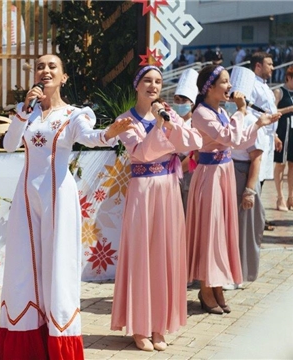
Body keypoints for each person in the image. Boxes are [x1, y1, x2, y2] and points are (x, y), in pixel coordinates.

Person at [0, 54, 134, 359]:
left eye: (52, 66)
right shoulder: (26, 113)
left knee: (58, 267)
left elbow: (90, 137)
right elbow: (7, 145)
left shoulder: (74, 114)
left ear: (64, 77)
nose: (45, 71)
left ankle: (59, 346)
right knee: (23, 266)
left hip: (58, 195)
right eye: (40, 67)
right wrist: (22, 112)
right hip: (26, 197)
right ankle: (26, 346)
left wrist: (110, 133)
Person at [110, 66, 202, 352]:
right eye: (147, 81)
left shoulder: (169, 114)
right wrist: (162, 130)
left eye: (158, 81)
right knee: (142, 255)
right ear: (137, 85)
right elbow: (142, 153)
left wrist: (169, 124)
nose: (153, 85)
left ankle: (160, 324)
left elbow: (194, 142)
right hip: (143, 190)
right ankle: (140, 326)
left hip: (167, 189)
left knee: (165, 253)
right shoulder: (125, 121)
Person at [186, 65, 280, 316]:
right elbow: (228, 138)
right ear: (210, 87)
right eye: (225, 82)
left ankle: (216, 286)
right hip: (210, 175)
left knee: (222, 232)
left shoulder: (221, 111)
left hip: (224, 173)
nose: (230, 87)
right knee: (210, 231)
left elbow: (237, 141)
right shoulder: (201, 113)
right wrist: (241, 111)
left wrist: (259, 123)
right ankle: (207, 288)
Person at [227, 66, 267, 287]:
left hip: (243, 174)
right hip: (227, 172)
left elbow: (256, 158)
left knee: (243, 228)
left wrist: (250, 190)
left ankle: (240, 275)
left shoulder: (252, 120)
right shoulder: (226, 116)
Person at [250, 52, 278, 230]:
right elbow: (250, 111)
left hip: (268, 137)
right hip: (258, 136)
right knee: (255, 179)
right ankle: (253, 217)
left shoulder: (265, 86)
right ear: (258, 66)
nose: (273, 67)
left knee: (262, 180)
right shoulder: (252, 85)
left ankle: (258, 216)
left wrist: (275, 135)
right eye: (269, 64)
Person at [171, 68, 199, 213]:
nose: (180, 103)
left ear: (192, 103)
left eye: (184, 100)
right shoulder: (169, 121)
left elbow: (195, 153)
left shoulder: (196, 123)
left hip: (188, 173)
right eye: (177, 99)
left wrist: (178, 171)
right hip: (170, 173)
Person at [273, 65, 293, 211]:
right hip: (283, 131)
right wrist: (289, 109)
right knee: (281, 164)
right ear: (288, 78)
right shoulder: (279, 91)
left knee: (292, 166)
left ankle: (291, 197)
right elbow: (273, 111)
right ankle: (280, 197)